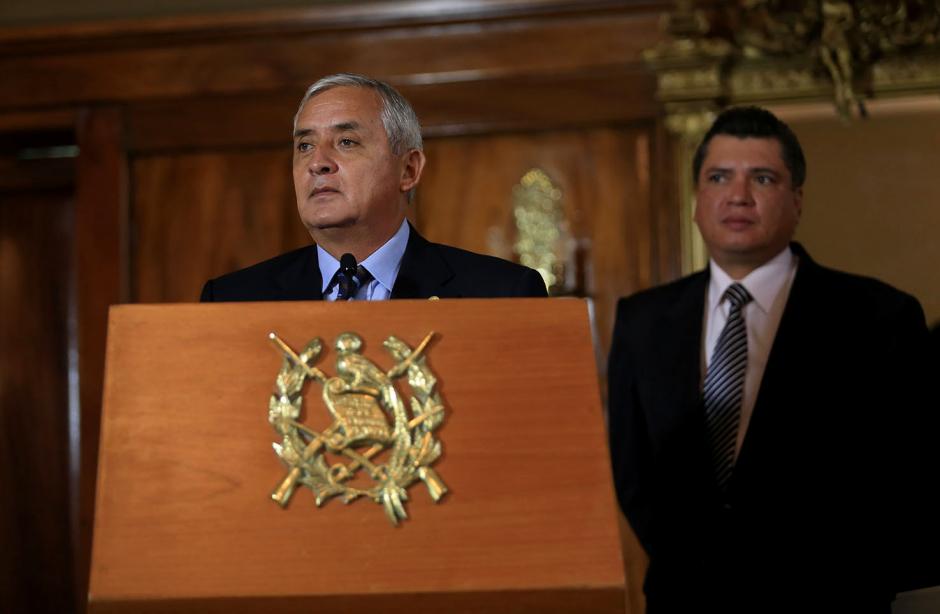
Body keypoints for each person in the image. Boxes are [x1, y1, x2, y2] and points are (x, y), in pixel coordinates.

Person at [607, 106, 932, 613]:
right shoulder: (642, 320)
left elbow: (908, 475)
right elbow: (631, 471)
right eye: (719, 177)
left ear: (797, 200)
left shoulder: (878, 317)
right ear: (697, 201)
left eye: (762, 177)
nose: (738, 195)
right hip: (685, 599)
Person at [201, 73, 547, 301]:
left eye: (347, 142)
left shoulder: (502, 293)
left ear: (408, 170)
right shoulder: (234, 298)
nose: (317, 162)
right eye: (304, 145)